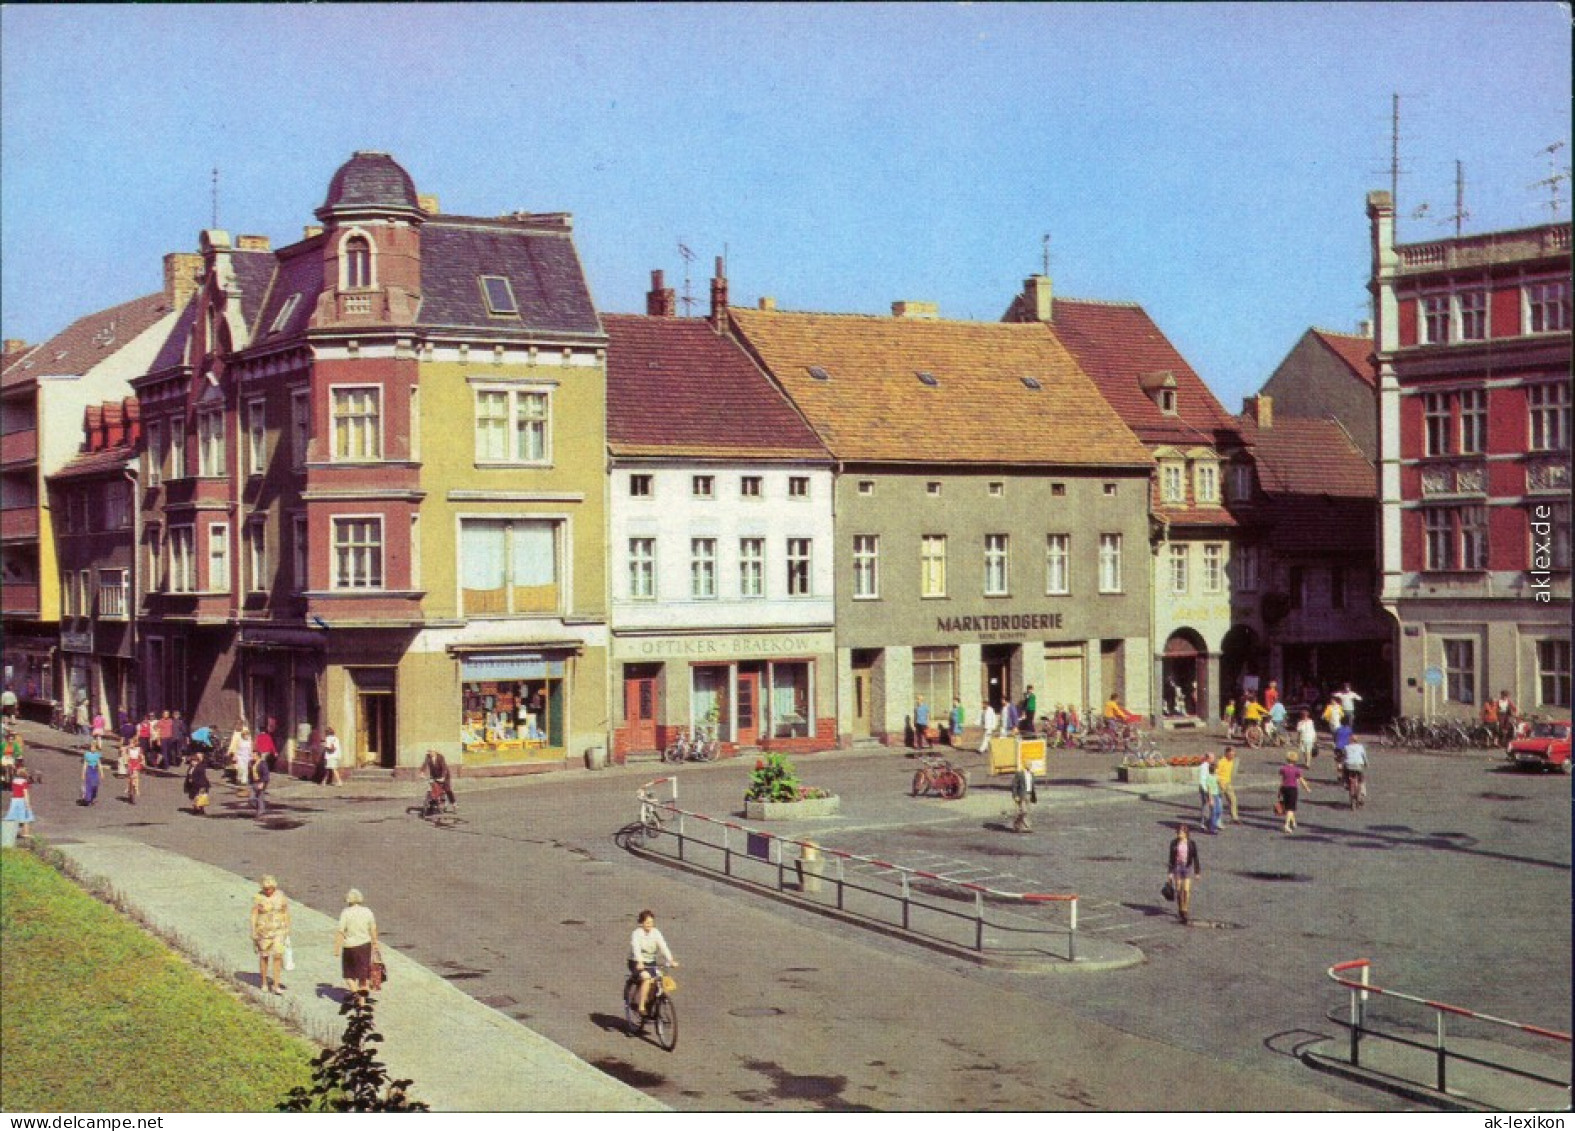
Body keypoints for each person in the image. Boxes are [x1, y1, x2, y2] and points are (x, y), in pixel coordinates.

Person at [628, 909, 678, 1015]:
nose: (650, 925)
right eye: (647, 923)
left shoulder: (656, 933)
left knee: (660, 980)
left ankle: (650, 1002)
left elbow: (663, 946)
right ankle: (641, 1006)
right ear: (641, 923)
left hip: (651, 963)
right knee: (646, 978)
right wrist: (640, 961)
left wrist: (671, 960)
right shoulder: (636, 934)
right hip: (637, 963)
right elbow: (636, 948)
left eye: (651, 922)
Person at [334, 888, 380, 997]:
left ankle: (355, 994)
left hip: (350, 946)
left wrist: (336, 948)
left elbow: (340, 931)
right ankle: (362, 1003)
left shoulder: (346, 912)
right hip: (365, 945)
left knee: (348, 975)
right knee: (363, 976)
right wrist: (375, 943)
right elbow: (373, 929)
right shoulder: (367, 911)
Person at [250, 876, 291, 996]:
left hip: (279, 930)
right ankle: (263, 982)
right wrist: (253, 931)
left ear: (274, 887)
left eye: (270, 888)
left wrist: (287, 928)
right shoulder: (258, 897)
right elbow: (254, 914)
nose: (268, 891)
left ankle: (276, 985)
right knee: (264, 956)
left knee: (278, 956)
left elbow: (286, 912)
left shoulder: (281, 896)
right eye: (265, 888)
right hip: (263, 931)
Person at [1166, 823, 1200, 925]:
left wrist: (1197, 872)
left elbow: (1195, 858)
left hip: (1187, 867)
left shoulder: (1191, 843)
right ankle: (1180, 908)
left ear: (1185, 833)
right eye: (1178, 832)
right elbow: (1171, 859)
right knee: (1179, 890)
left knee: (1186, 890)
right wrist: (1170, 872)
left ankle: (1185, 909)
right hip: (1177, 867)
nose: (1178, 834)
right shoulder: (1174, 843)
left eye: (1180, 832)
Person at [1277, 752, 1312, 833]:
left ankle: (1293, 823)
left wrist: (1279, 791)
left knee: (1288, 806)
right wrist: (1307, 788)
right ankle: (1286, 825)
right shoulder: (1297, 770)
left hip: (1284, 788)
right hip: (1292, 789)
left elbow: (1282, 780)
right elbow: (1301, 780)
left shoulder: (1283, 769)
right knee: (1291, 808)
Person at [6, 762, 36, 839]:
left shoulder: (14, 781)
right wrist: (28, 804)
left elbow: (13, 791)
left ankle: (15, 832)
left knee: (15, 817)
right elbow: (25, 793)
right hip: (21, 800)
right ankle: (26, 833)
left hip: (14, 800)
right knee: (25, 818)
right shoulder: (24, 782)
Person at [183, 750, 211, 815]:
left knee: (200, 798)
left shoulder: (200, 767)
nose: (193, 762)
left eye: (194, 761)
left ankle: (200, 810)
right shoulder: (191, 767)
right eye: (192, 761)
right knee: (195, 798)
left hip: (201, 785)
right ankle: (196, 810)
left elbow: (202, 777)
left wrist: (202, 787)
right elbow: (189, 775)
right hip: (193, 785)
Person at [1342, 741, 1368, 808]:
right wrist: (1366, 764)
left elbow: (1344, 757)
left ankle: (1346, 782)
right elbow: (1364, 756)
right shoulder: (1360, 747)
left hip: (1348, 766)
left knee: (1345, 773)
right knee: (1361, 781)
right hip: (1358, 766)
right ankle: (1361, 794)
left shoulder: (1346, 747)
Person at [1217, 748, 1238, 824]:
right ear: (1226, 754)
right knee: (1218, 802)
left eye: (1234, 754)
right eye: (1231, 754)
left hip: (1228, 783)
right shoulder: (1221, 762)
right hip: (1221, 784)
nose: (1233, 756)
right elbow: (1216, 773)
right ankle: (1217, 819)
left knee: (1233, 800)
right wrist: (1219, 783)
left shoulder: (1231, 761)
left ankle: (1234, 817)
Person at [122, 736, 144, 804]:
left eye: (131, 743)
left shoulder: (138, 749)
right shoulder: (128, 749)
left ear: (135, 743)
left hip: (136, 763)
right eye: (129, 743)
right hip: (130, 763)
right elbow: (126, 756)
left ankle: (136, 788)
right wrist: (126, 762)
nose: (130, 745)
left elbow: (141, 756)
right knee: (129, 777)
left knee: (135, 777)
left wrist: (142, 762)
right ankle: (128, 787)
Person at [251, 745, 272, 818]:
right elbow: (250, 774)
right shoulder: (251, 763)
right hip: (254, 782)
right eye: (252, 755)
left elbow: (266, 774)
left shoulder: (263, 763)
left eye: (254, 755)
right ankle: (259, 808)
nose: (252, 757)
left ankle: (261, 811)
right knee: (252, 798)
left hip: (261, 782)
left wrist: (262, 783)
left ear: (258, 756)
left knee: (260, 797)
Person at [1203, 759, 1223, 834]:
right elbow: (1209, 789)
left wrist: (1221, 785)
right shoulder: (1209, 777)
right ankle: (1212, 828)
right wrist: (1210, 799)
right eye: (1216, 769)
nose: (1217, 770)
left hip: (1217, 795)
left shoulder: (1216, 776)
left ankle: (1210, 822)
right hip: (1212, 796)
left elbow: (1219, 784)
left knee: (1219, 811)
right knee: (1214, 812)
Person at [81, 741, 104, 806]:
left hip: (95, 770)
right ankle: (88, 799)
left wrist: (101, 772)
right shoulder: (87, 755)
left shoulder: (97, 755)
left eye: (94, 747)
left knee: (95, 785)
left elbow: (99, 764)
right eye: (91, 747)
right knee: (89, 785)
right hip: (89, 770)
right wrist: (83, 773)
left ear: (96, 748)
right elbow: (85, 764)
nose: (93, 749)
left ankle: (93, 797)